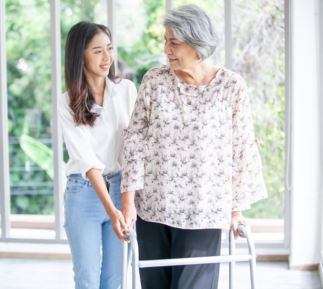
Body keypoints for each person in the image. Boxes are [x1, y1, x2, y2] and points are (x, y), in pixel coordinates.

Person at [120, 5, 268, 289]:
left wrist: (235, 210)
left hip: (205, 211)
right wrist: (128, 202)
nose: (166, 49)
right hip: (153, 208)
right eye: (165, 41)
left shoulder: (232, 87)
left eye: (174, 43)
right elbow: (135, 141)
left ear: (198, 44)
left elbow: (241, 150)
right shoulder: (154, 81)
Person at [58, 21, 137, 289]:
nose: (107, 58)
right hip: (84, 193)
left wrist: (127, 201)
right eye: (97, 51)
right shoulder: (66, 101)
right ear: (80, 55)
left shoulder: (126, 91)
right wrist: (110, 208)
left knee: (115, 280)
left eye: (109, 49)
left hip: (120, 188)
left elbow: (134, 147)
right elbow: (87, 159)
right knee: (88, 279)